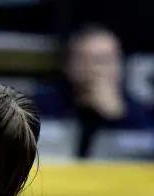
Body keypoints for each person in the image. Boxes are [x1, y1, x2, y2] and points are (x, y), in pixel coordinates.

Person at [35, 25, 154, 158]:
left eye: (104, 60)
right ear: (68, 65)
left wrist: (119, 116)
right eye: (82, 59)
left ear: (119, 65)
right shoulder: (39, 107)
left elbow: (144, 157)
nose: (94, 68)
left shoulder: (141, 113)